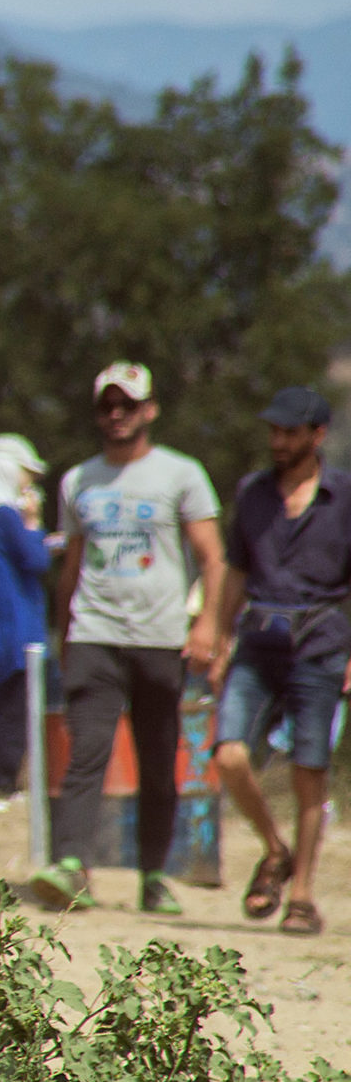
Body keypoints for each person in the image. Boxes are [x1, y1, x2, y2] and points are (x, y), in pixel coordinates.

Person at [20, 364, 223, 914]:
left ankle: (153, 875)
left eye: (126, 405)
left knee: (159, 760)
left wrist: (206, 625)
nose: (116, 415)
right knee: (87, 751)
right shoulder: (78, 480)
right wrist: (64, 631)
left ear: (149, 410)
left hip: (160, 637)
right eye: (107, 406)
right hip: (94, 633)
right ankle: (70, 866)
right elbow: (73, 562)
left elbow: (212, 557)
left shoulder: (181, 474)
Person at [211, 387, 351, 936]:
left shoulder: (344, 498)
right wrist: (218, 637)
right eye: (274, 431)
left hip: (320, 644)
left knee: (308, 772)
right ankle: (274, 848)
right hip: (258, 639)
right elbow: (236, 571)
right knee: (228, 755)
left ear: (317, 435)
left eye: (290, 432)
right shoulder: (253, 493)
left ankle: (303, 895)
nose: (278, 441)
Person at [0, 434, 53, 796]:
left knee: (4, 698)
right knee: (17, 701)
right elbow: (37, 559)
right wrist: (33, 523)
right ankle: (1, 782)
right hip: (16, 619)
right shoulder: (4, 516)